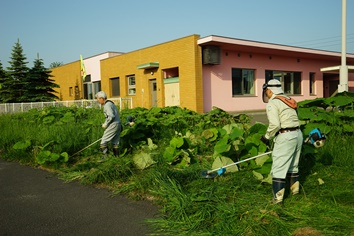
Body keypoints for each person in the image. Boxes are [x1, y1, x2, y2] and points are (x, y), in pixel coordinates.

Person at [260, 79, 303, 204]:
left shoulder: (273, 103)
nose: (266, 94)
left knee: (279, 167)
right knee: (293, 165)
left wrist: (266, 137)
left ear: (269, 90)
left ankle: (277, 199)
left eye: (266, 91)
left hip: (286, 136)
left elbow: (275, 125)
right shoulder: (288, 100)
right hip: (298, 134)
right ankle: (295, 192)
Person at [95, 91, 122, 157]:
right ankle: (116, 157)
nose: (97, 101)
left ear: (102, 98)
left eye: (98, 99)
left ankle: (105, 157)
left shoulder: (107, 105)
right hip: (118, 124)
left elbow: (111, 116)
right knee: (115, 142)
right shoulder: (111, 104)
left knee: (103, 141)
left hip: (113, 125)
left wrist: (106, 124)